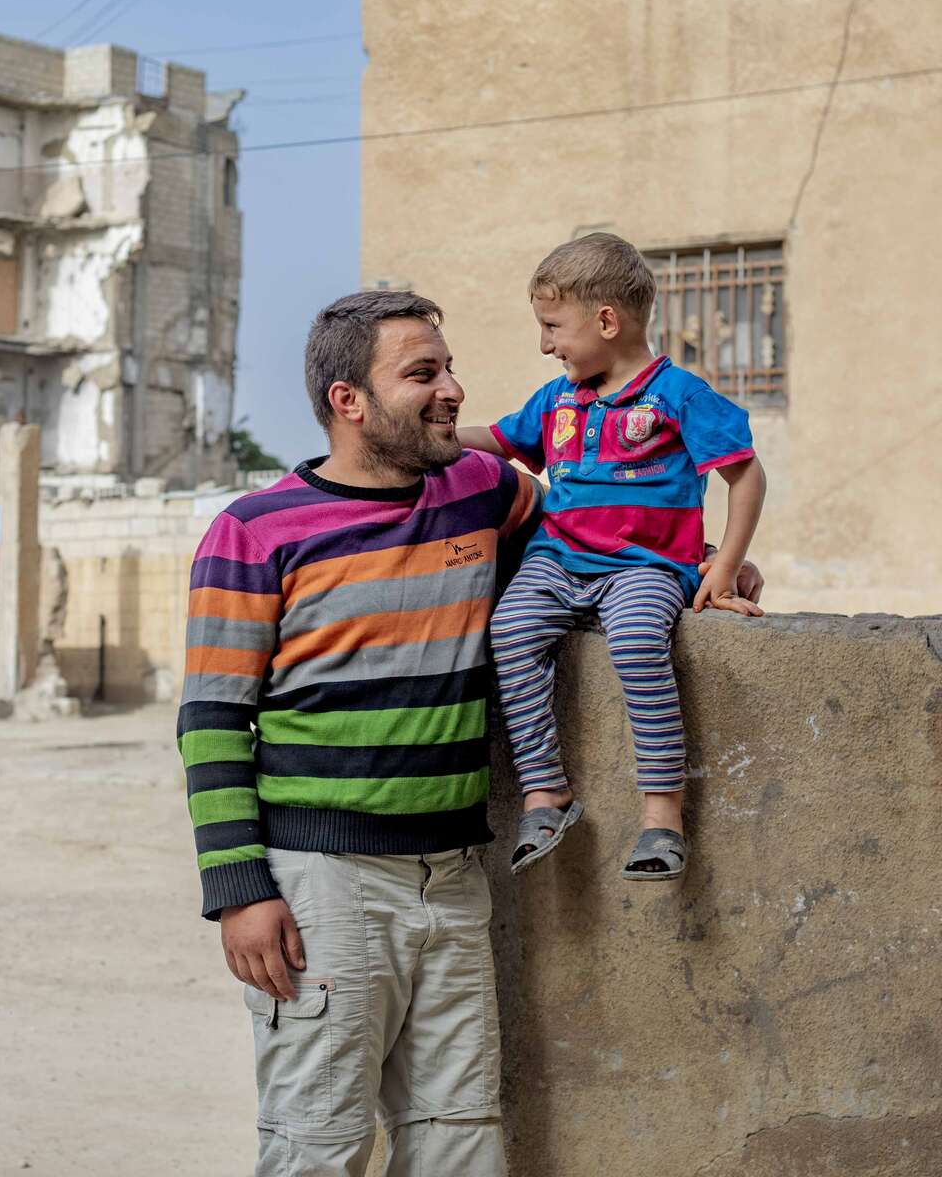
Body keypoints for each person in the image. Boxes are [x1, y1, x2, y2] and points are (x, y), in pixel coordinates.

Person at [177, 289, 761, 1176]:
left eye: (449, 368)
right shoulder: (254, 533)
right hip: (323, 886)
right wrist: (238, 890)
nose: (453, 389)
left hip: (455, 878)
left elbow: (594, 543)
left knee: (460, 1139)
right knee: (317, 1146)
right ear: (348, 400)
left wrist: (704, 564)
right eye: (423, 374)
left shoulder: (485, 491)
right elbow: (213, 719)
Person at [457, 233, 767, 882]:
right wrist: (427, 436)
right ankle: (546, 793)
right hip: (557, 559)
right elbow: (498, 441)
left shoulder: (679, 394)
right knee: (508, 631)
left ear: (605, 321)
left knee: (635, 642)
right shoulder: (557, 400)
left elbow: (746, 475)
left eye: (552, 327)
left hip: (647, 565)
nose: (545, 345)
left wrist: (723, 565)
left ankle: (662, 815)